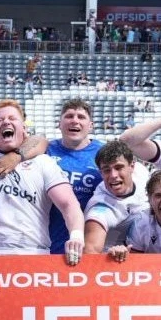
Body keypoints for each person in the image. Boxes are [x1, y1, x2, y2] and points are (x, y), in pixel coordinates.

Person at [0, 101, 84, 266]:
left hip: (35, 255)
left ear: (24, 129)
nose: (5, 122)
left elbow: (69, 204)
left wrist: (76, 236)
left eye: (12, 118)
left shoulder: (44, 163)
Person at [45, 99, 102, 254]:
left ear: (91, 125)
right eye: (69, 116)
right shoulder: (45, 150)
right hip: (47, 244)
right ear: (59, 123)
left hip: (88, 246)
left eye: (81, 117)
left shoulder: (103, 153)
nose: (75, 121)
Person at [83, 141, 151, 255]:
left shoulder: (141, 172)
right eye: (106, 170)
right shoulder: (100, 209)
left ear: (132, 166)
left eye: (118, 167)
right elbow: (90, 252)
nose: (113, 175)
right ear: (101, 173)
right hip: (117, 263)